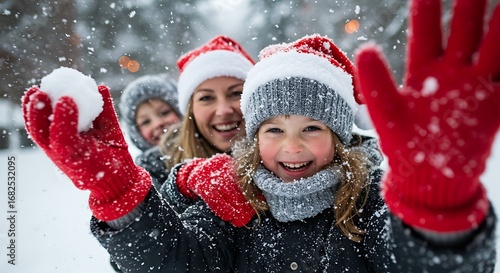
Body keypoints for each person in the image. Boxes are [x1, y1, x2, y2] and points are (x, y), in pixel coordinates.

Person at [21, 0, 498, 272]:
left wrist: (437, 209)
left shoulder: (368, 201)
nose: (292, 147)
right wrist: (121, 194)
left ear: (339, 134)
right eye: (274, 129)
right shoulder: (229, 202)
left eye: (312, 128)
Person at [119, 73, 181, 152]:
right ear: (136, 134)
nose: (158, 123)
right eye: (146, 122)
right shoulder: (142, 164)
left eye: (165, 112)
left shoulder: (201, 149)